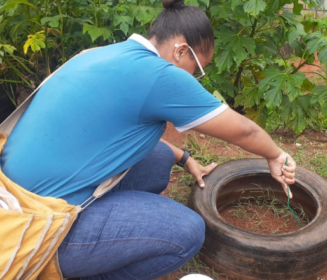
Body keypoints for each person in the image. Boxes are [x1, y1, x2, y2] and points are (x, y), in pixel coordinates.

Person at [0, 0, 296, 279]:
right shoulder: (160, 75)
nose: (195, 78)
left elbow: (110, 131)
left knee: (160, 160)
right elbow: (245, 131)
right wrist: (275, 155)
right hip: (33, 227)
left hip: (11, 191)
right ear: (181, 51)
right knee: (187, 231)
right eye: (198, 70)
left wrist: (185, 157)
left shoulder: (104, 53)